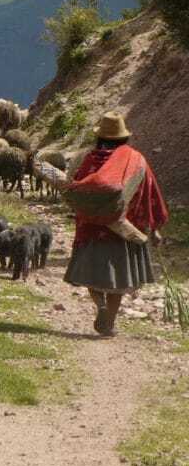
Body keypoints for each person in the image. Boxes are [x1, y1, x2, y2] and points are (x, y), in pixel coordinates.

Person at [63, 112, 168, 337]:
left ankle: (99, 305)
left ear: (100, 136)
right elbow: (150, 192)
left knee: (92, 276)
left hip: (90, 229)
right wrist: (155, 227)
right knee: (117, 282)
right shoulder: (135, 159)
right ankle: (109, 321)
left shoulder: (88, 159)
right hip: (122, 231)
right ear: (123, 137)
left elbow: (76, 189)